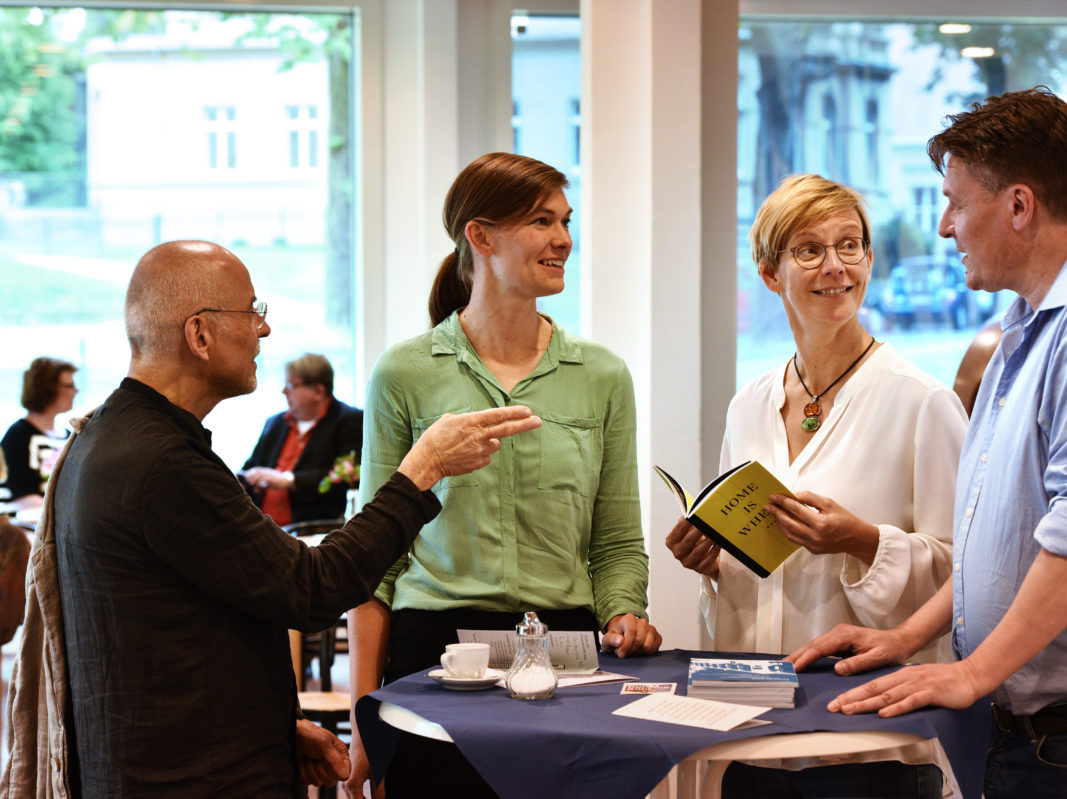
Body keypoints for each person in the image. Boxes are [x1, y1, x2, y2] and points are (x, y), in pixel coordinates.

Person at [0, 240, 542, 798]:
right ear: (199, 335)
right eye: (253, 311)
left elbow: (175, 641)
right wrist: (420, 471)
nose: (263, 330)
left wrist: (273, 731)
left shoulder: (118, 440)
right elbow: (312, 589)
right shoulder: (161, 462)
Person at [787, 87, 1067, 799]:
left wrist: (973, 671)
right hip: (1050, 734)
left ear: (1018, 205)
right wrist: (904, 634)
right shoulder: (1027, 323)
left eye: (955, 202)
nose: (945, 226)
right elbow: (1003, 537)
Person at [343, 152, 662, 798]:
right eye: (542, 221)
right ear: (480, 236)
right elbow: (375, 564)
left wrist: (626, 609)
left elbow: (617, 540)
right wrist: (362, 719)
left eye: (567, 221)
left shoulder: (603, 376)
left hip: (567, 655)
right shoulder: (403, 373)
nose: (564, 239)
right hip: (433, 659)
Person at [664, 174, 966, 797]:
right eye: (809, 250)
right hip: (753, 728)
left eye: (849, 245)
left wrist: (862, 541)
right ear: (771, 273)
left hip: (868, 740)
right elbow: (748, 559)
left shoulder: (922, 402)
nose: (836, 266)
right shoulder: (748, 406)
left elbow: (970, 572)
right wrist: (712, 560)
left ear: (870, 259)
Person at [242, 353, 364, 524]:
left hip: (313, 532)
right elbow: (251, 467)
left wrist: (288, 480)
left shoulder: (351, 421)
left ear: (318, 392)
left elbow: (343, 479)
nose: (284, 391)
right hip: (261, 530)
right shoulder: (275, 423)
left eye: (291, 385)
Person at [0, 356, 78, 510]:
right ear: (47, 389)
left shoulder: (69, 435)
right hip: (27, 527)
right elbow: (22, 496)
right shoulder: (18, 436)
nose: (76, 391)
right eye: (69, 385)